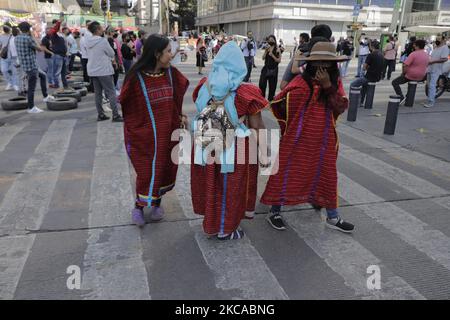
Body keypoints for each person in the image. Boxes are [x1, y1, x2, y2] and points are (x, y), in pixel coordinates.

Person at [261, 42, 354, 233]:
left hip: (324, 141)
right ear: (311, 63)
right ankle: (275, 211)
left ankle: (333, 216)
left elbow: (341, 107)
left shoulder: (335, 83)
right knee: (286, 173)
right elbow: (279, 101)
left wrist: (327, 86)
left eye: (327, 63)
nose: (322, 66)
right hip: (297, 139)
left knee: (327, 175)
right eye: (318, 61)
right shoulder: (300, 82)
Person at [191, 41, 269, 240]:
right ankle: (226, 228)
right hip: (235, 147)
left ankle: (211, 223)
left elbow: (199, 106)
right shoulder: (246, 92)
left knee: (212, 184)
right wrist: (265, 152)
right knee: (232, 187)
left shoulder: (203, 85)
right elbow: (257, 126)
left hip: (206, 143)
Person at [120, 34, 189, 227]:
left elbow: (176, 97)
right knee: (146, 172)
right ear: (157, 54)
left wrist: (180, 115)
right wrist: (137, 131)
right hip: (145, 137)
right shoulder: (136, 77)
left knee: (164, 169)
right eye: (168, 52)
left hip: (168, 134)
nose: (171, 55)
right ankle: (139, 207)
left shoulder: (171, 74)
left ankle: (157, 204)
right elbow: (128, 107)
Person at [86, 21, 123, 122]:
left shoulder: (87, 41)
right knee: (111, 92)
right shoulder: (102, 41)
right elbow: (111, 53)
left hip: (92, 70)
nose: (103, 30)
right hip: (104, 70)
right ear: (97, 30)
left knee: (98, 93)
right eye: (101, 28)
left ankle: (100, 114)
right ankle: (115, 115)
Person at [15, 22, 54, 114]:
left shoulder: (16, 38)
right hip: (31, 65)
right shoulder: (28, 39)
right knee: (31, 88)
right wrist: (32, 36)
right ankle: (31, 107)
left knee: (43, 76)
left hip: (25, 64)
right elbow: (40, 49)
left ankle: (45, 96)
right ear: (29, 29)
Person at [280, 24, 332, 90]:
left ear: (311, 38)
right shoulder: (334, 63)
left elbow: (283, 86)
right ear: (329, 40)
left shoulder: (301, 55)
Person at [392, 40, 429, 105]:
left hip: (411, 75)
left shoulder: (413, 54)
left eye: (414, 44)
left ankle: (401, 97)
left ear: (417, 45)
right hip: (421, 76)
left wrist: (403, 73)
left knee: (395, 82)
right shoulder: (426, 54)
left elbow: (405, 65)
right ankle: (408, 99)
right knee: (412, 85)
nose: (413, 45)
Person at [350, 40, 384, 107]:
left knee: (353, 84)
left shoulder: (371, 55)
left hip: (369, 77)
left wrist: (369, 67)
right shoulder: (381, 55)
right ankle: (361, 102)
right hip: (377, 77)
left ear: (372, 47)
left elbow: (364, 67)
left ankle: (353, 100)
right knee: (364, 87)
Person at [424, 36, 449, 108]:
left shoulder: (445, 48)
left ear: (443, 40)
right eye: (436, 39)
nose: (437, 40)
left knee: (432, 85)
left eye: (439, 39)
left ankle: (431, 102)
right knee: (429, 85)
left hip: (437, 69)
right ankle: (430, 99)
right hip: (430, 68)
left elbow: (444, 59)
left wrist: (433, 61)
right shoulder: (435, 48)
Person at [259, 35, 282, 101]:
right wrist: (266, 51)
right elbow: (263, 58)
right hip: (265, 69)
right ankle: (262, 99)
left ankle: (270, 100)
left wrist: (272, 55)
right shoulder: (267, 48)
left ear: (275, 41)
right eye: (269, 40)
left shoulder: (278, 49)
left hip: (273, 70)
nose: (271, 41)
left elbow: (279, 60)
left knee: (272, 87)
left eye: (272, 40)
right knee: (262, 84)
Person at [0, 24, 19, 91]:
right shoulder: (1, 37)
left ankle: (15, 84)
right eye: (4, 27)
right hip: (4, 57)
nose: (5, 29)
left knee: (15, 72)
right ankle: (10, 82)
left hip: (13, 56)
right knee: (4, 70)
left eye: (6, 27)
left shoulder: (13, 36)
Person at [80, 21, 94, 92]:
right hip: (87, 57)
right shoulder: (86, 36)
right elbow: (87, 46)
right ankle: (89, 86)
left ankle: (88, 86)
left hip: (86, 56)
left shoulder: (85, 36)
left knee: (87, 72)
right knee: (87, 73)